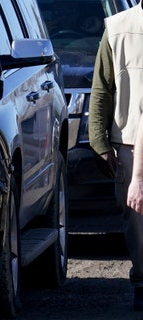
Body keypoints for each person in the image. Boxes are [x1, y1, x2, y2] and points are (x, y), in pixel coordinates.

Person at [88, 1, 143, 311]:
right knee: (137, 225)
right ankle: (141, 283)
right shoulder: (117, 28)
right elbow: (102, 89)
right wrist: (100, 143)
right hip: (130, 143)